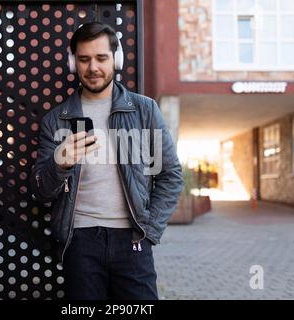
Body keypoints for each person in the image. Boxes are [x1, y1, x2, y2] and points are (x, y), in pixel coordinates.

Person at [31, 22, 183, 300]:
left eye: (101, 58)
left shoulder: (144, 110)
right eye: (84, 59)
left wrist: (149, 231)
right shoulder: (55, 119)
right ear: (73, 62)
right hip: (80, 241)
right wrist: (59, 163)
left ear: (117, 59)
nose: (93, 68)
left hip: (133, 239)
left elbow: (170, 175)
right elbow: (40, 190)